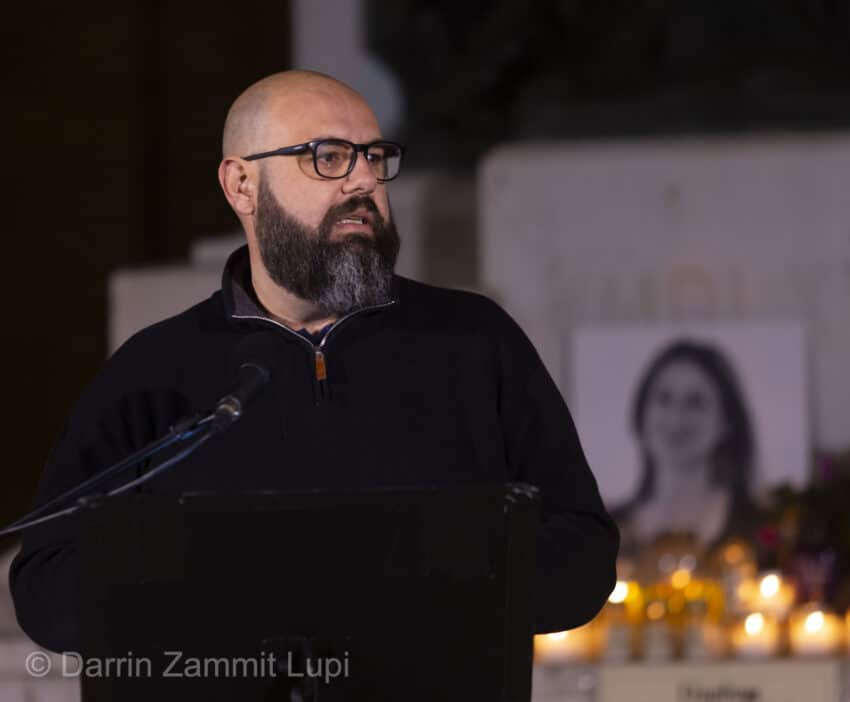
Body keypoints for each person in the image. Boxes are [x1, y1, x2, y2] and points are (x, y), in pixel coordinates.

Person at [9, 69, 618, 653]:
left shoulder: (475, 339)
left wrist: (422, 577)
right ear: (241, 185)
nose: (363, 182)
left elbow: (581, 555)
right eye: (328, 157)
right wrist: (220, 584)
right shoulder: (153, 370)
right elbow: (46, 584)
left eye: (374, 157)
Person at [612, 339, 757, 556]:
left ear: (726, 422)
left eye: (695, 403)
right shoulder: (608, 527)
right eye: (664, 399)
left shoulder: (758, 526)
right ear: (642, 412)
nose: (676, 418)